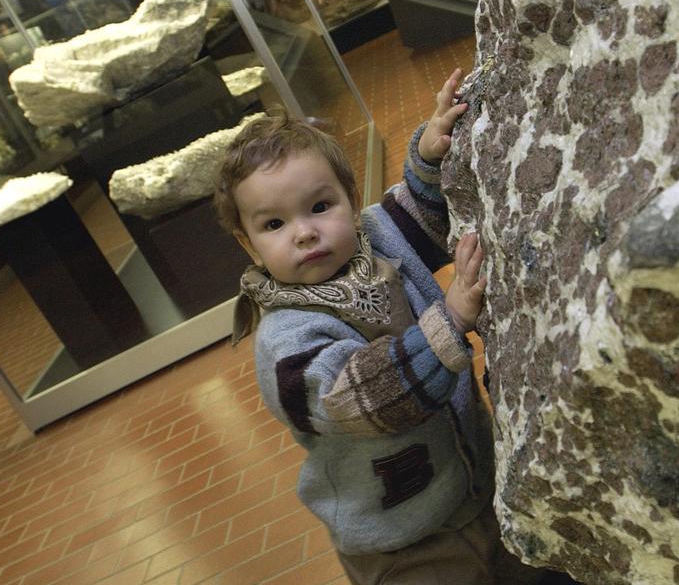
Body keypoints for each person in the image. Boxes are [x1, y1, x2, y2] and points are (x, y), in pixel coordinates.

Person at [215, 69, 554, 585]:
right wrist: (450, 321)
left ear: (351, 200)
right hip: (401, 544)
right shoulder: (286, 342)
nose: (305, 232)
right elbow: (357, 397)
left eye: (320, 206)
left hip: (480, 488)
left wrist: (432, 154)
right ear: (247, 244)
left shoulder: (373, 235)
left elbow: (422, 208)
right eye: (275, 224)